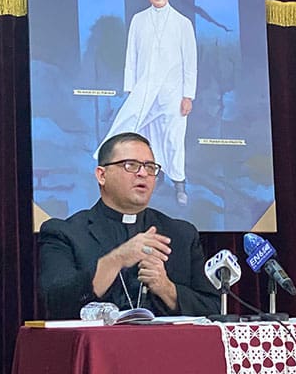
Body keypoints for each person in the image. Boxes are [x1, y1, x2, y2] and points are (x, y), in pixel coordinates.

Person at [39, 132, 219, 319]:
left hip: (167, 346)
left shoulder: (181, 235)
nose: (143, 173)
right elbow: (57, 301)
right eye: (130, 165)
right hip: (101, 347)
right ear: (102, 175)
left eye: (150, 167)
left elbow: (213, 309)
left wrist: (167, 288)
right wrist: (117, 258)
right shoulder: (64, 233)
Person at [95, 0, 197, 206]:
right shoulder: (139, 20)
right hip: (144, 91)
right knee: (146, 137)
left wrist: (188, 96)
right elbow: (131, 56)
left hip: (173, 93)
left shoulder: (183, 23)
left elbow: (190, 63)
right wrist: (131, 90)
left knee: (173, 139)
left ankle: (179, 184)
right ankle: (154, 176)